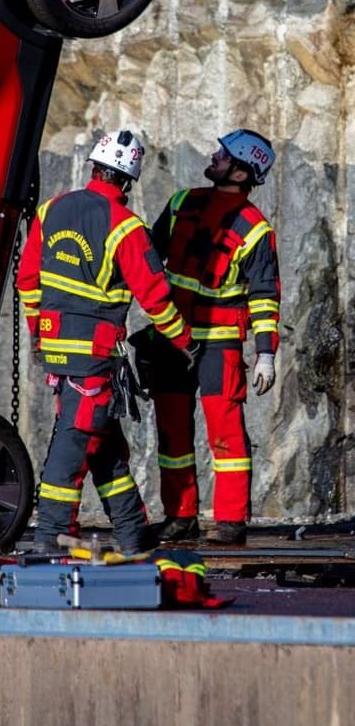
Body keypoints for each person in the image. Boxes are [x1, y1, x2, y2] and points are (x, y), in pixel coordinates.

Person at [16, 129, 196, 555]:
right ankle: (50, 540)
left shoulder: (51, 210)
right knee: (71, 448)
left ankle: (136, 536)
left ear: (93, 166)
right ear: (129, 180)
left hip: (58, 352)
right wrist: (185, 342)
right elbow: (155, 297)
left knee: (105, 449)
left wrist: (41, 333)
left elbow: (28, 281)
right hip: (95, 358)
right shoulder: (127, 227)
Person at [147, 129, 281, 546]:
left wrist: (265, 353)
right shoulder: (181, 202)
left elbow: (264, 296)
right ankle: (179, 516)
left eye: (223, 155)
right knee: (172, 433)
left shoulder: (257, 230)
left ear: (241, 172)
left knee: (226, 435)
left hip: (219, 345)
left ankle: (230, 522)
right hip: (171, 337)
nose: (213, 155)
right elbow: (147, 258)